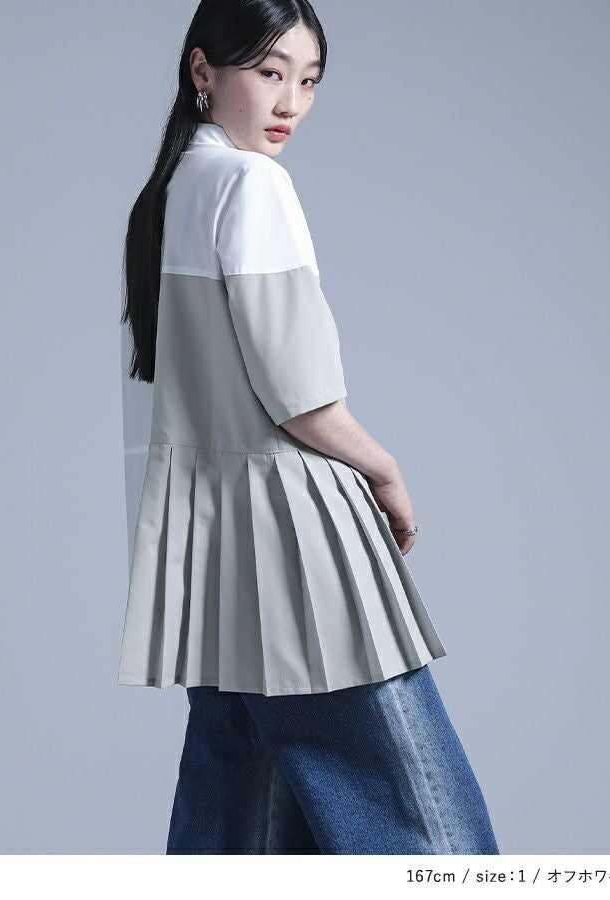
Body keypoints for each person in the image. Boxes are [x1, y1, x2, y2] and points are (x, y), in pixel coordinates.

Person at [117, 0, 499, 855]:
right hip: (293, 536)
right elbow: (298, 395)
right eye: (269, 72)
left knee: (236, 829)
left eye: (309, 80)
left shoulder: (167, 196)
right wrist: (384, 467)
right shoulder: (252, 184)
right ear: (203, 70)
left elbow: (163, 404)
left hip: (212, 545)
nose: (291, 102)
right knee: (424, 822)